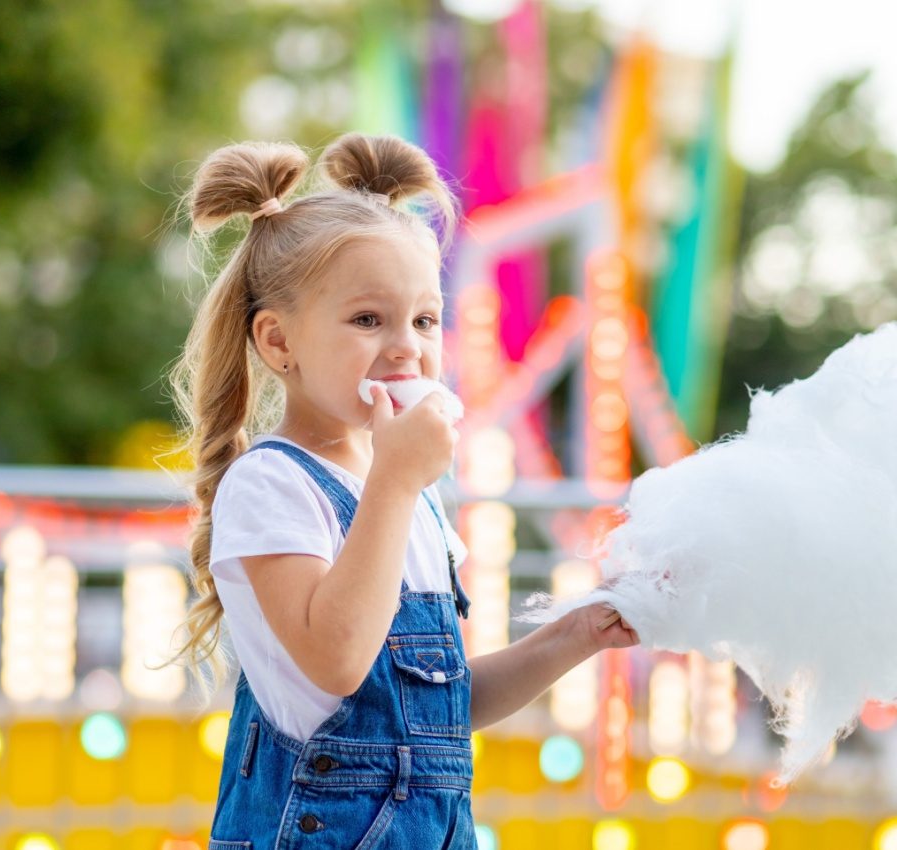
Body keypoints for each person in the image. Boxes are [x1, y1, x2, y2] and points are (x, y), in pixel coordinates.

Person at [165, 132, 639, 849]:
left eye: (424, 319)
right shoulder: (273, 485)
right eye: (367, 320)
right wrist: (393, 479)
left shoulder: (410, 494)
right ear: (278, 342)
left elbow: (439, 710)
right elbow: (338, 659)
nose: (406, 347)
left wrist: (575, 635)